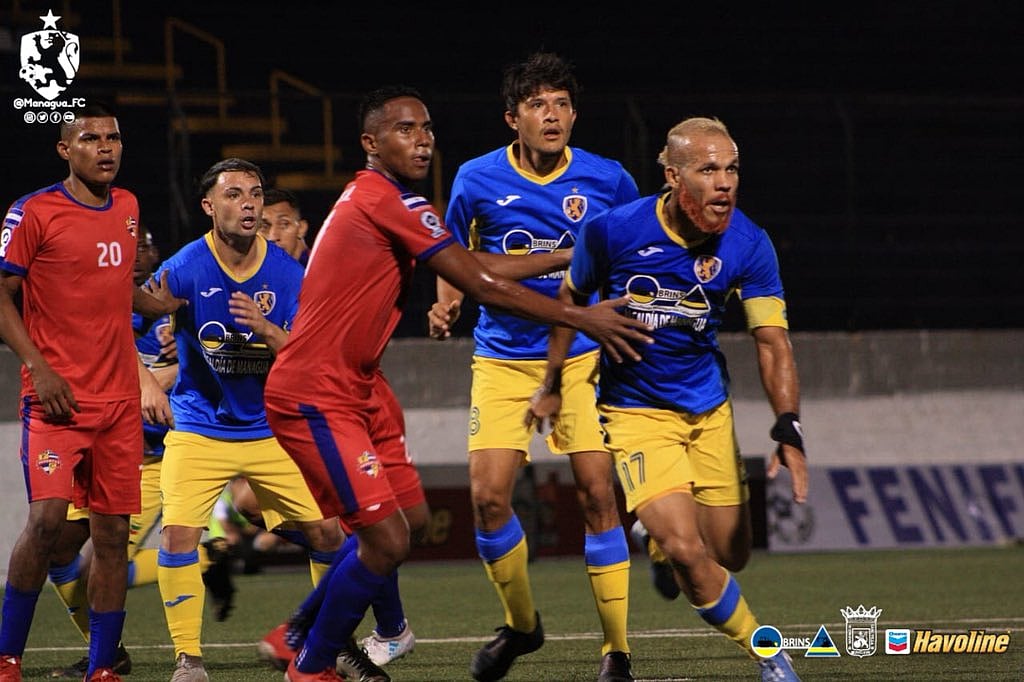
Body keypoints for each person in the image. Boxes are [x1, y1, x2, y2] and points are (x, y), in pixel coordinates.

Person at [261, 84, 651, 682]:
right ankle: (311, 661)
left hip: (364, 388)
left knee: (411, 524)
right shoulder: (386, 199)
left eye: (426, 129)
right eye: (405, 130)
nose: (423, 141)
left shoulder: (393, 201)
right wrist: (581, 315)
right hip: (318, 390)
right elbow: (482, 283)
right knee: (388, 540)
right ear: (370, 143)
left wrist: (565, 262)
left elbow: (474, 268)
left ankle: (308, 635)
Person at [526, 117, 809, 682]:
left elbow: (772, 342)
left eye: (732, 169)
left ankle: (651, 540)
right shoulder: (612, 232)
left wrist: (788, 425)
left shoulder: (749, 243)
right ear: (673, 176)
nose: (724, 183)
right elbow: (569, 299)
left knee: (729, 555)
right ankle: (770, 656)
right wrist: (552, 383)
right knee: (686, 550)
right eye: (708, 170)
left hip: (708, 410)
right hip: (635, 412)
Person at [427, 51, 639, 682]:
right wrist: (447, 302)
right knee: (488, 499)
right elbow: (455, 258)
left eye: (562, 104)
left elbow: (637, 252)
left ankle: (616, 652)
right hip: (502, 358)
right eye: (538, 104)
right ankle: (522, 626)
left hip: (582, 356)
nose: (552, 115)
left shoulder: (609, 179)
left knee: (598, 493)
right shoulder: (475, 178)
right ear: (511, 118)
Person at [0, 103, 183, 682]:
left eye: (113, 138)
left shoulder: (127, 207)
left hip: (119, 407)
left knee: (111, 538)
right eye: (90, 138)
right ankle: (7, 658)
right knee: (46, 522)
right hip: (56, 401)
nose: (105, 147)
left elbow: (118, 286)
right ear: (65, 149)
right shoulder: (32, 211)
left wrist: (165, 303)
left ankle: (103, 665)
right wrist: (38, 367)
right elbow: (2, 294)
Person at [154, 158, 344, 682]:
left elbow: (309, 357)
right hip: (199, 427)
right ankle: (188, 659)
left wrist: (266, 329)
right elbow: (128, 317)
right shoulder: (186, 265)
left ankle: (325, 646)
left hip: (270, 429)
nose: (249, 204)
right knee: (177, 537)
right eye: (234, 194)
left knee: (329, 534)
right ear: (208, 206)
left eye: (255, 194)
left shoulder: (287, 274)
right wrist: (147, 380)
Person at [46, 226, 237, 679]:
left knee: (103, 561)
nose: (133, 255)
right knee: (57, 550)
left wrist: (174, 365)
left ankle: (206, 561)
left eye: (143, 247)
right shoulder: (102, 304)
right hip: (101, 447)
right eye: (124, 248)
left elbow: (225, 351)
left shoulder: (179, 303)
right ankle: (107, 648)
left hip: (153, 456)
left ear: (156, 257)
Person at [258, 188, 310, 267]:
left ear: (301, 229)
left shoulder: (320, 268)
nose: (272, 237)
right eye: (264, 226)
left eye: (284, 224)